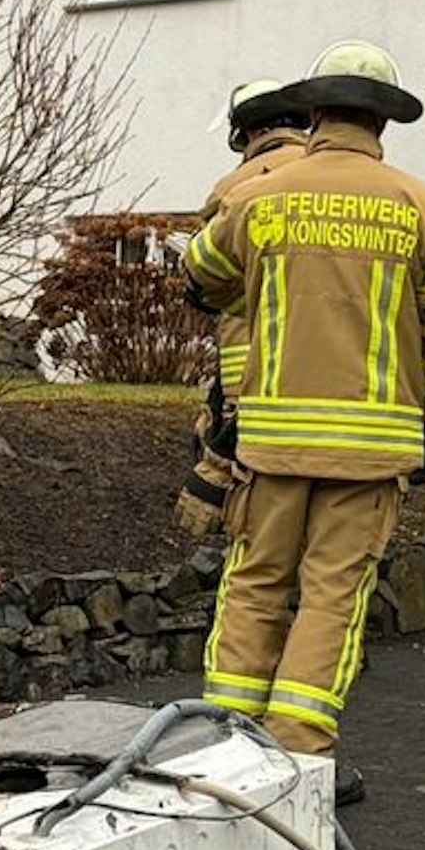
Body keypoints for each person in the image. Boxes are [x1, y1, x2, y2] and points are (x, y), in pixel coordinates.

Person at [183, 41, 425, 805]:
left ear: (313, 114)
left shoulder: (261, 196)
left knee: (253, 585)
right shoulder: (423, 206)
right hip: (374, 447)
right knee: (331, 600)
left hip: (272, 439)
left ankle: (223, 751)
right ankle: (298, 760)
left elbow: (200, 279)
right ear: (382, 122)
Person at [177, 79, 311, 541]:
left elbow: (199, 279)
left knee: (255, 538)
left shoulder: (234, 189)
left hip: (251, 388)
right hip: (343, 396)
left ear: (247, 133)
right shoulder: (338, 180)